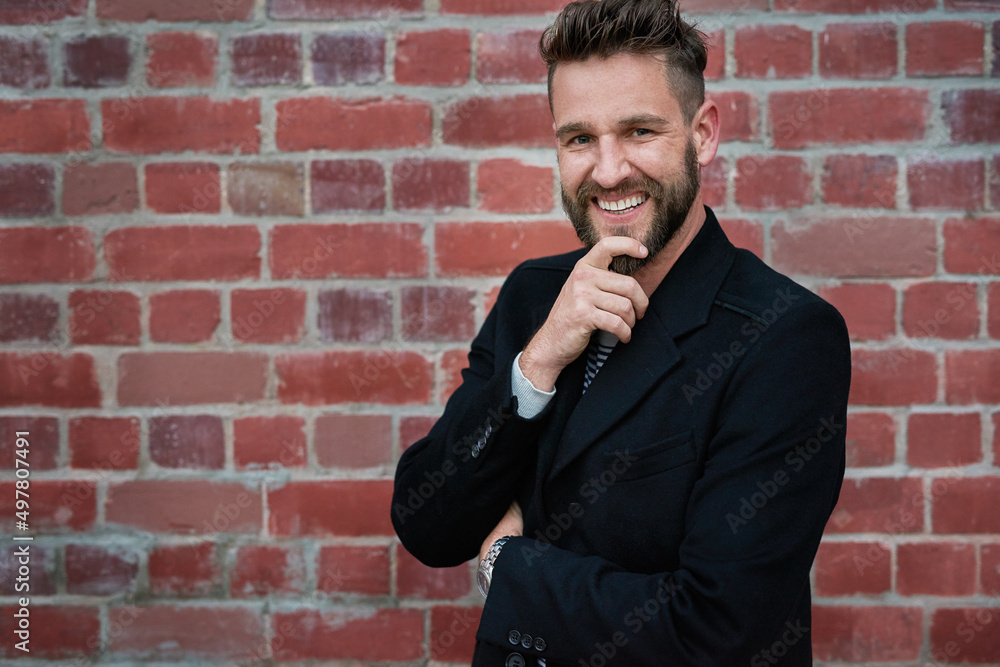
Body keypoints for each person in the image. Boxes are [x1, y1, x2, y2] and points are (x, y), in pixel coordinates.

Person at [392, 0, 851, 664]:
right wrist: (540, 359)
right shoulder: (534, 296)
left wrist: (506, 564)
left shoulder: (785, 338)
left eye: (639, 131)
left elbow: (722, 631)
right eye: (580, 138)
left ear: (703, 133)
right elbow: (426, 521)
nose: (608, 172)